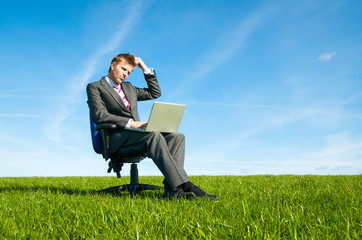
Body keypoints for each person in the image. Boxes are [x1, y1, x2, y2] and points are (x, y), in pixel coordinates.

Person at [87, 53, 218, 199]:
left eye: (129, 72)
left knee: (176, 137)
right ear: (113, 65)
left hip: (137, 135)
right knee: (153, 134)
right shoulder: (95, 87)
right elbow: (100, 115)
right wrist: (132, 123)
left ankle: (171, 190)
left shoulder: (129, 88)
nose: (126, 75)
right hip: (115, 136)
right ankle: (185, 185)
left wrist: (144, 67)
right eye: (123, 69)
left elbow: (155, 93)